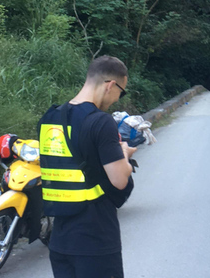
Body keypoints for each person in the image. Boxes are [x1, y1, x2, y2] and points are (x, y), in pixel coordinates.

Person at [38, 55, 137, 278]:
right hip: (95, 241)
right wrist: (125, 155)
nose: (117, 99)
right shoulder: (101, 122)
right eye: (121, 93)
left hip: (60, 241)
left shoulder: (49, 119)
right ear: (111, 85)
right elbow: (120, 180)